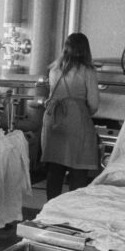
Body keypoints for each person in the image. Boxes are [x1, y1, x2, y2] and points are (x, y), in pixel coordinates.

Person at [40, 32, 101, 200]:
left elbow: (53, 94)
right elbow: (94, 103)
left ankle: (51, 209)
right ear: (85, 50)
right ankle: (72, 209)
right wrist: (81, 112)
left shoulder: (54, 69)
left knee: (55, 168)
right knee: (78, 169)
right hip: (76, 120)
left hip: (53, 119)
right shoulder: (87, 71)